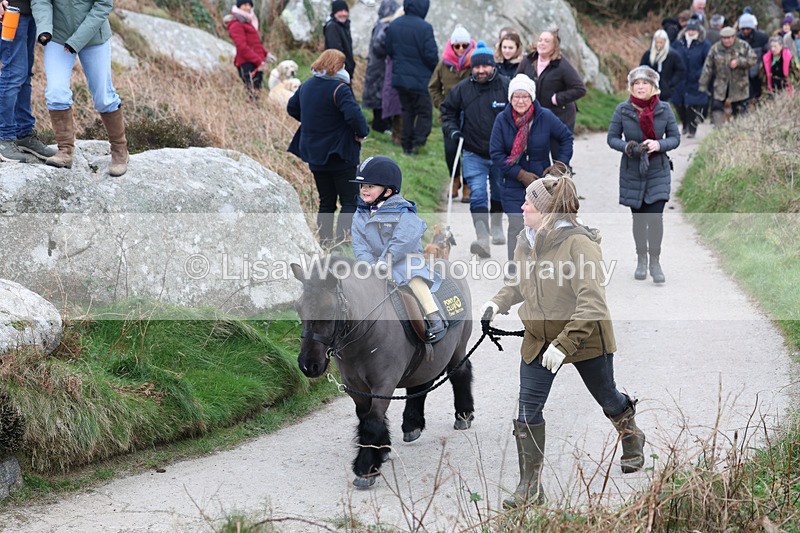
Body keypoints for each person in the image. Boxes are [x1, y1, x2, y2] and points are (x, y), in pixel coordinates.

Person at [479, 173, 646, 509]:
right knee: (527, 411)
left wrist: (564, 344)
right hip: (539, 338)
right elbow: (519, 282)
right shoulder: (525, 240)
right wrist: (497, 302)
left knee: (608, 398)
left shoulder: (579, 244)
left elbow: (593, 303)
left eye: (528, 202)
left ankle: (631, 436)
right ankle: (530, 486)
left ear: (546, 211)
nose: (522, 206)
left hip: (585, 339)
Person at [350, 155, 445, 338]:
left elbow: (403, 240)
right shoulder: (360, 213)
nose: (364, 190)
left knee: (413, 277)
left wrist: (386, 261)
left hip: (404, 258)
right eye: (362, 186)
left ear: (387, 192)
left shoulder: (403, 211)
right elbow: (359, 245)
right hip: (375, 262)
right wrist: (370, 264)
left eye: (370, 186)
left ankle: (433, 315)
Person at [31, 0, 129, 176]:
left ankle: (120, 151)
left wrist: (76, 41)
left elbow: (103, 5)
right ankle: (65, 151)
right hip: (59, 37)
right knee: (56, 93)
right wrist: (44, 28)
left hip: (94, 37)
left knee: (104, 98)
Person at [287, 49, 369, 248]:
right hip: (341, 154)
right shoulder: (340, 89)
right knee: (349, 201)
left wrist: (312, 122)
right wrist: (361, 133)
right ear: (338, 66)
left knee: (326, 202)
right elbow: (355, 117)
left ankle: (325, 243)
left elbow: (292, 107)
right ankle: (342, 242)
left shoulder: (306, 85)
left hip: (315, 154)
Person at [607, 66, 680, 284]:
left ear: (653, 86)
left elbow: (675, 138)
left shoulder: (664, 109)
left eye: (645, 83)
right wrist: (629, 147)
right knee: (639, 219)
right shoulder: (623, 110)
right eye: (636, 83)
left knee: (655, 218)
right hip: (633, 171)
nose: (640, 87)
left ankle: (655, 262)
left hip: (658, 169)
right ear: (631, 87)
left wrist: (659, 144)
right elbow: (612, 138)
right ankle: (641, 259)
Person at [490, 73, 573, 261]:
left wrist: (559, 166)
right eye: (516, 96)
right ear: (510, 98)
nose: (520, 101)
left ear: (532, 97)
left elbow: (566, 138)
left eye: (525, 96)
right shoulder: (502, 120)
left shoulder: (545, 116)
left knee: (541, 226)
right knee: (516, 225)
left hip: (541, 184)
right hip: (512, 183)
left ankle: (540, 266)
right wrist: (520, 174)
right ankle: (515, 267)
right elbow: (496, 154)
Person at [440, 41, 509, 257]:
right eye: (476, 67)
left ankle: (496, 224)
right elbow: (447, 111)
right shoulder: (462, 89)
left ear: (493, 66)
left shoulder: (506, 86)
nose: (480, 70)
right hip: (472, 151)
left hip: (500, 153)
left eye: (485, 66)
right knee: (478, 193)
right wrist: (453, 131)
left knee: (499, 190)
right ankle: (482, 238)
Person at [516, 26, 585, 160]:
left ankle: (562, 173)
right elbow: (516, 82)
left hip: (560, 117)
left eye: (546, 41)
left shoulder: (562, 65)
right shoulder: (528, 61)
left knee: (559, 158)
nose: (542, 43)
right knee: (536, 157)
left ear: (555, 46)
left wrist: (558, 98)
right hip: (535, 116)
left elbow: (580, 89)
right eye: (540, 40)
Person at [0, 0, 56, 163]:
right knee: (13, 75)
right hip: (10, 11)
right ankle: (4, 137)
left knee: (24, 76)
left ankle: (23, 134)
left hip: (31, 12)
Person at [385, 0, 438, 156]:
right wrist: (434, 71)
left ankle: (406, 144)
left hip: (400, 77)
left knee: (407, 111)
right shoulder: (425, 28)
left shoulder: (394, 24)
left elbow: (389, 49)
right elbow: (431, 55)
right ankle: (417, 143)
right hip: (420, 79)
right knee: (424, 113)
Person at [428, 24, 475, 202]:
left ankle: (468, 185)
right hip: (450, 116)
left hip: (471, 115)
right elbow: (433, 87)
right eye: (457, 46)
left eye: (465, 45)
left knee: (469, 151)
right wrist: (442, 105)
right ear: (452, 46)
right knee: (450, 150)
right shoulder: (443, 64)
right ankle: (455, 180)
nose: (461, 49)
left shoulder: (474, 63)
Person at [698, 27, 757, 126]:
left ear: (734, 37)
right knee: (716, 107)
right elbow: (708, 67)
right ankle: (719, 129)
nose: (727, 41)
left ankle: (740, 130)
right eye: (724, 38)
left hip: (739, 86)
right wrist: (703, 84)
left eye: (729, 38)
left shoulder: (743, 46)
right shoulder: (716, 48)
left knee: (740, 110)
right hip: (721, 85)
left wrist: (739, 62)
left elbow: (753, 59)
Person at [362, 0, 400, 134]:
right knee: (380, 98)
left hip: (376, 67)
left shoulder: (379, 24)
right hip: (380, 68)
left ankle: (383, 124)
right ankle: (381, 126)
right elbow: (379, 45)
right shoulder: (385, 26)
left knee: (379, 97)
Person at [224, 0, 275, 99]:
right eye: (244, 5)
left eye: (249, 5)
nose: (248, 7)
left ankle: (257, 109)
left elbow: (255, 44)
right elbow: (242, 47)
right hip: (246, 64)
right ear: (239, 6)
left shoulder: (247, 22)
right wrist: (258, 61)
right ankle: (250, 109)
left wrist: (265, 54)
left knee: (257, 91)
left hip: (255, 63)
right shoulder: (236, 24)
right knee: (252, 93)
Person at [671, 18, 711, 138]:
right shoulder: (679, 42)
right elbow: (672, 55)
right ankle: (684, 124)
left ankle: (692, 129)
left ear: (698, 30)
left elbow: (708, 61)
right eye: (689, 29)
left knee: (693, 105)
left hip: (696, 79)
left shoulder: (704, 44)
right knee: (678, 103)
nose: (691, 32)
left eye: (694, 30)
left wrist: (700, 74)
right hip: (680, 79)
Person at [639, 29, 686, 102]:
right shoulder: (648, 54)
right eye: (657, 42)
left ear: (665, 42)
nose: (659, 45)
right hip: (650, 91)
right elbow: (642, 69)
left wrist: (672, 83)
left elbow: (681, 70)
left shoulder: (672, 55)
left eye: (661, 42)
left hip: (666, 92)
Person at [736, 13, 769, 105]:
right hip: (743, 73)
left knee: (759, 96)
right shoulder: (736, 39)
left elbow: (767, 53)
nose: (745, 31)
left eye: (748, 29)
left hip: (759, 72)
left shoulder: (762, 37)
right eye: (743, 29)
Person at [324, 0, 355, 79]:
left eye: (345, 11)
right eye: (340, 11)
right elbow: (336, 51)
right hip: (338, 71)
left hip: (345, 70)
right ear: (334, 12)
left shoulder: (344, 25)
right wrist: (345, 68)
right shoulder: (332, 27)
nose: (344, 13)